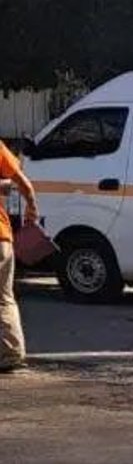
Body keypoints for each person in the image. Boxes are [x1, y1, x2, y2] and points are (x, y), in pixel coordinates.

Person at [0, 140, 39, 373]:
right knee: (4, 298)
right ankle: (11, 353)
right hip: (3, 238)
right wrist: (32, 205)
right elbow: (21, 181)